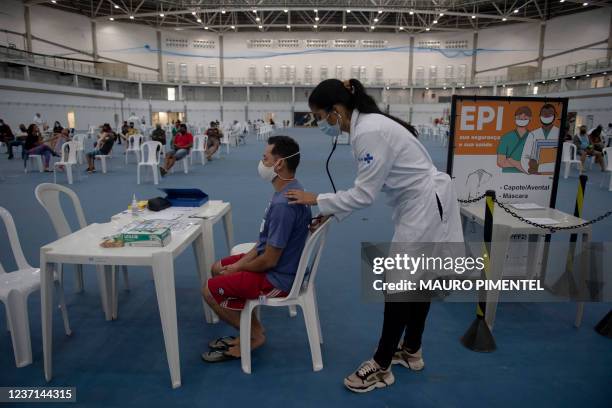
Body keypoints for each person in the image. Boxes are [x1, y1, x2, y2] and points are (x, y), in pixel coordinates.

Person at [285, 78, 463, 393]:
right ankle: (411, 351)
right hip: (424, 204)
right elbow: (370, 189)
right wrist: (330, 209)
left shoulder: (368, 132)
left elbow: (365, 195)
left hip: (424, 206)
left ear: (336, 110)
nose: (320, 123)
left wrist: (317, 200)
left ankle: (381, 365)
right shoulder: (369, 125)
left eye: (320, 116)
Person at [201, 135, 310, 362]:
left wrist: (240, 269)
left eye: (265, 157)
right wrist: (238, 266)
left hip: (278, 278)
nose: (261, 163)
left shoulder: (283, 205)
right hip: (274, 264)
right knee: (217, 268)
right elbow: (263, 244)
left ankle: (254, 335)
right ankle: (249, 328)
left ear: (278, 163)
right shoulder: (289, 189)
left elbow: (269, 260)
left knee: (209, 291)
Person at [521, 104, 559, 175]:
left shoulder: (559, 133)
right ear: (540, 116)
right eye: (544, 113)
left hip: (552, 175)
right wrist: (529, 169)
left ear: (555, 116)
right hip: (533, 174)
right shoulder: (532, 134)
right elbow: (525, 156)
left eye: (550, 113)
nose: (547, 115)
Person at [496, 106, 532, 173]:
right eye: (519, 118)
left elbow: (534, 165)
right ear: (515, 118)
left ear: (530, 119)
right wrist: (524, 167)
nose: (522, 119)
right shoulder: (506, 137)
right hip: (508, 177)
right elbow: (501, 162)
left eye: (525, 118)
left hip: (528, 179)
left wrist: (511, 161)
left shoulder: (533, 137)